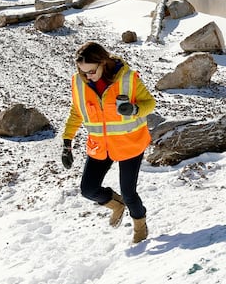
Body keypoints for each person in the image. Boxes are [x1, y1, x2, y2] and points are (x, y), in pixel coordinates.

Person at [61, 41, 156, 244]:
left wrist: (135, 110)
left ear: (103, 62)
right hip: (100, 145)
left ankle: (140, 226)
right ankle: (115, 204)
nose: (88, 76)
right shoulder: (79, 82)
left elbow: (150, 103)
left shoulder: (127, 78)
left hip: (129, 142)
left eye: (92, 71)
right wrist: (67, 141)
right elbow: (77, 112)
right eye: (83, 71)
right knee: (88, 189)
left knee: (129, 193)